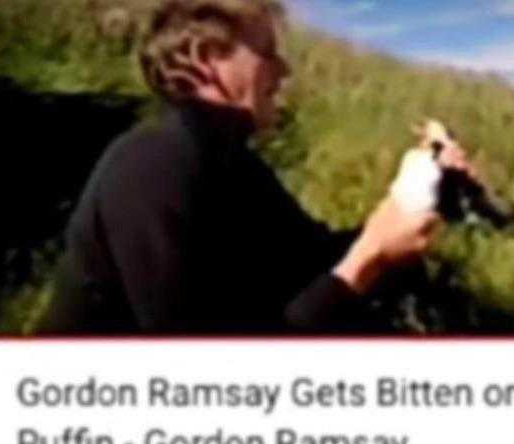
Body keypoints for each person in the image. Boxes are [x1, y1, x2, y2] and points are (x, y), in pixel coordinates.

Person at [40, 0, 449, 335]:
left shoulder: (231, 164)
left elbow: (314, 259)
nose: (284, 70)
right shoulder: (151, 166)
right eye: (268, 52)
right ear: (206, 60)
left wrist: (424, 189)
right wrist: (369, 259)